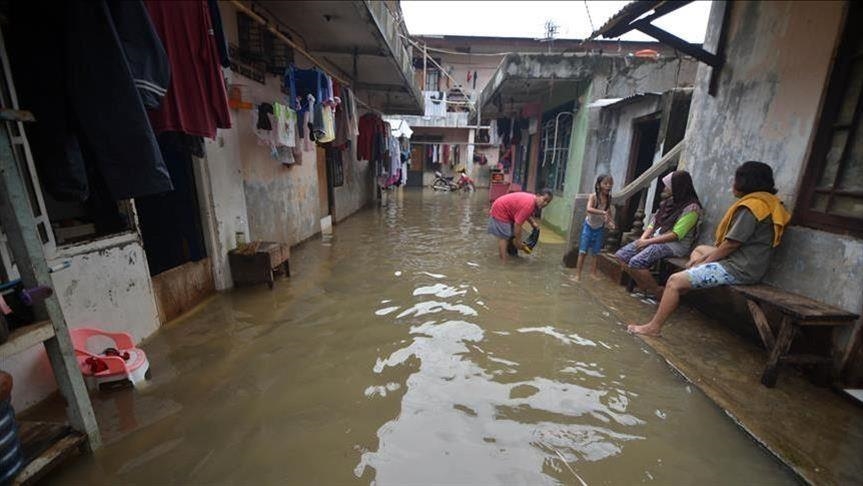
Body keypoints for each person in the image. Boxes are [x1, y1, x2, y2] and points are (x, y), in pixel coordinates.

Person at [628, 161, 791, 336]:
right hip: (747, 260)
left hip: (740, 267)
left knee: (674, 281)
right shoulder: (768, 202)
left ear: (746, 182)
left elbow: (731, 244)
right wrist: (701, 259)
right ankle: (686, 284)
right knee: (698, 251)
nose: (733, 184)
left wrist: (705, 262)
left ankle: (654, 326)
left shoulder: (753, 208)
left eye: (736, 179)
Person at [615, 170, 702, 298]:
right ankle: (645, 285)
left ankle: (657, 291)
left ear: (677, 186)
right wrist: (643, 238)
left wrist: (648, 242)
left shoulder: (692, 208)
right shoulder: (669, 202)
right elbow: (653, 223)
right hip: (654, 238)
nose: (665, 188)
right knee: (621, 255)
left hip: (674, 245)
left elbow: (676, 234)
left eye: (668, 185)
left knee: (636, 262)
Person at [488, 189, 553, 261]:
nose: (545, 203)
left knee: (511, 236)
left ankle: (511, 256)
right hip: (500, 209)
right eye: (544, 200)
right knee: (504, 237)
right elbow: (517, 225)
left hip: (507, 210)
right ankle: (503, 262)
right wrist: (519, 242)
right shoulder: (529, 204)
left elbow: (524, 213)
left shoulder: (532, 202)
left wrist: (532, 223)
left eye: (548, 202)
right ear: (538, 195)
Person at [574, 174, 616, 281]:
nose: (608, 186)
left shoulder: (608, 198)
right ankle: (577, 275)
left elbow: (608, 212)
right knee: (582, 252)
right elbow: (589, 209)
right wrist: (602, 212)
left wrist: (611, 222)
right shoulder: (593, 197)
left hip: (599, 228)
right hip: (588, 227)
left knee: (596, 253)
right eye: (605, 183)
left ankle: (593, 273)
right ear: (599, 185)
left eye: (610, 184)